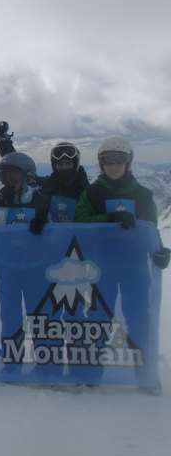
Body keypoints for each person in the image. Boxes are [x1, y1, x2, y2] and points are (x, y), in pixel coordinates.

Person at [74, 136, 168, 386]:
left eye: (119, 160)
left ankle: (145, 375)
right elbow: (81, 222)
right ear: (101, 163)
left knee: (139, 317)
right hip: (102, 266)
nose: (113, 166)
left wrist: (159, 251)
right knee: (98, 318)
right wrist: (110, 219)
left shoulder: (142, 195)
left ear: (128, 163)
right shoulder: (92, 193)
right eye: (108, 161)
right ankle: (91, 374)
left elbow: (151, 230)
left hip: (134, 266)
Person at [0, 152, 50, 370]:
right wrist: (2, 208)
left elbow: (55, 233)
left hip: (35, 267)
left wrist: (44, 223)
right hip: (7, 266)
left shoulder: (40, 201)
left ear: (27, 175)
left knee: (39, 315)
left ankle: (44, 362)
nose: (9, 179)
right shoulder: (1, 199)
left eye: (14, 175)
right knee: (10, 314)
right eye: (5, 175)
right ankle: (12, 360)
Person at [0, 121, 89, 222]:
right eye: (60, 164)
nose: (64, 168)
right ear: (54, 166)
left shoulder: (88, 192)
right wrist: (2, 142)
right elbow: (19, 168)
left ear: (75, 166)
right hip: (51, 237)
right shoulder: (48, 185)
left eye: (68, 164)